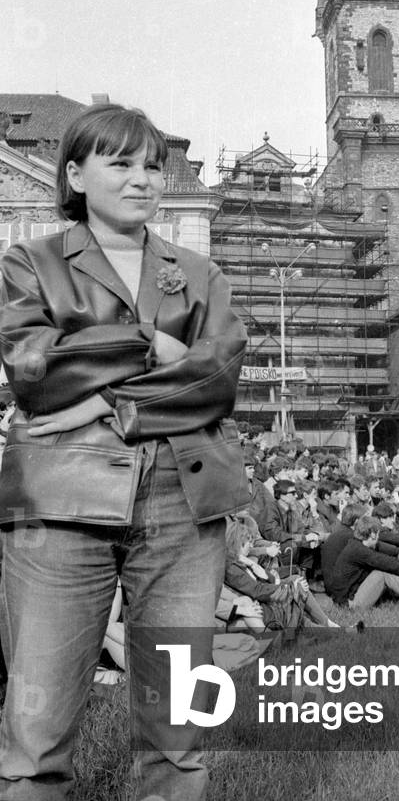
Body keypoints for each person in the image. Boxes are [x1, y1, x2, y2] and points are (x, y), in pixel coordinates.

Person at [0, 103, 248, 800]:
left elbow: (218, 379)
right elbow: (32, 370)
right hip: (59, 506)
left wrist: (110, 397)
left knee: (176, 733)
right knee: (36, 735)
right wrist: (148, 345)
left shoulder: (199, 274)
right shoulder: (30, 262)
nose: (143, 179)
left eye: (152, 166)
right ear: (74, 174)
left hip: (183, 500)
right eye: (121, 163)